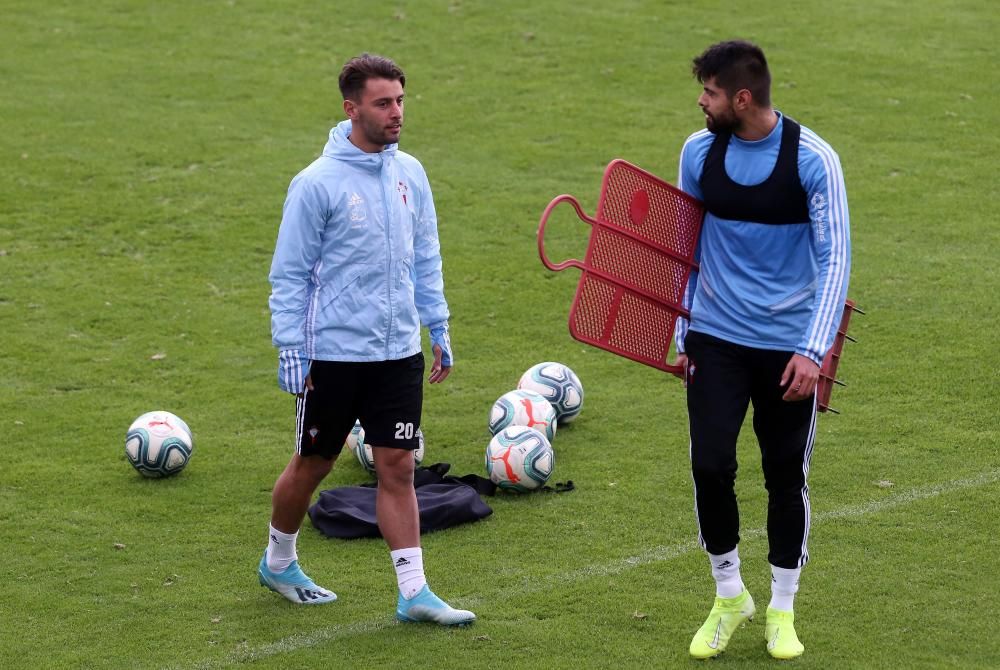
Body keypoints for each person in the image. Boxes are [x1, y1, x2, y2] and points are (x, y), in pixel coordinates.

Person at [258, 53, 474, 626]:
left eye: (401, 99)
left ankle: (415, 593)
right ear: (352, 108)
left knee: (398, 464)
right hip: (332, 353)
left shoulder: (412, 174)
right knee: (314, 463)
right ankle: (279, 561)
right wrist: (291, 347)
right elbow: (290, 274)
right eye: (383, 103)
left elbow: (425, 257)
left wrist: (439, 325)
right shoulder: (315, 184)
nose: (396, 112)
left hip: (398, 350)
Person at [671, 40, 850, 659]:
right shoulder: (699, 152)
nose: (701, 101)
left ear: (740, 98)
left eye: (710, 92)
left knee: (783, 476)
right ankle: (728, 596)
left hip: (787, 347)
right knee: (709, 466)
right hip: (716, 337)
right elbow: (683, 246)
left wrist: (813, 348)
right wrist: (679, 329)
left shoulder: (812, 160)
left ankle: (781, 606)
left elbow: (835, 260)